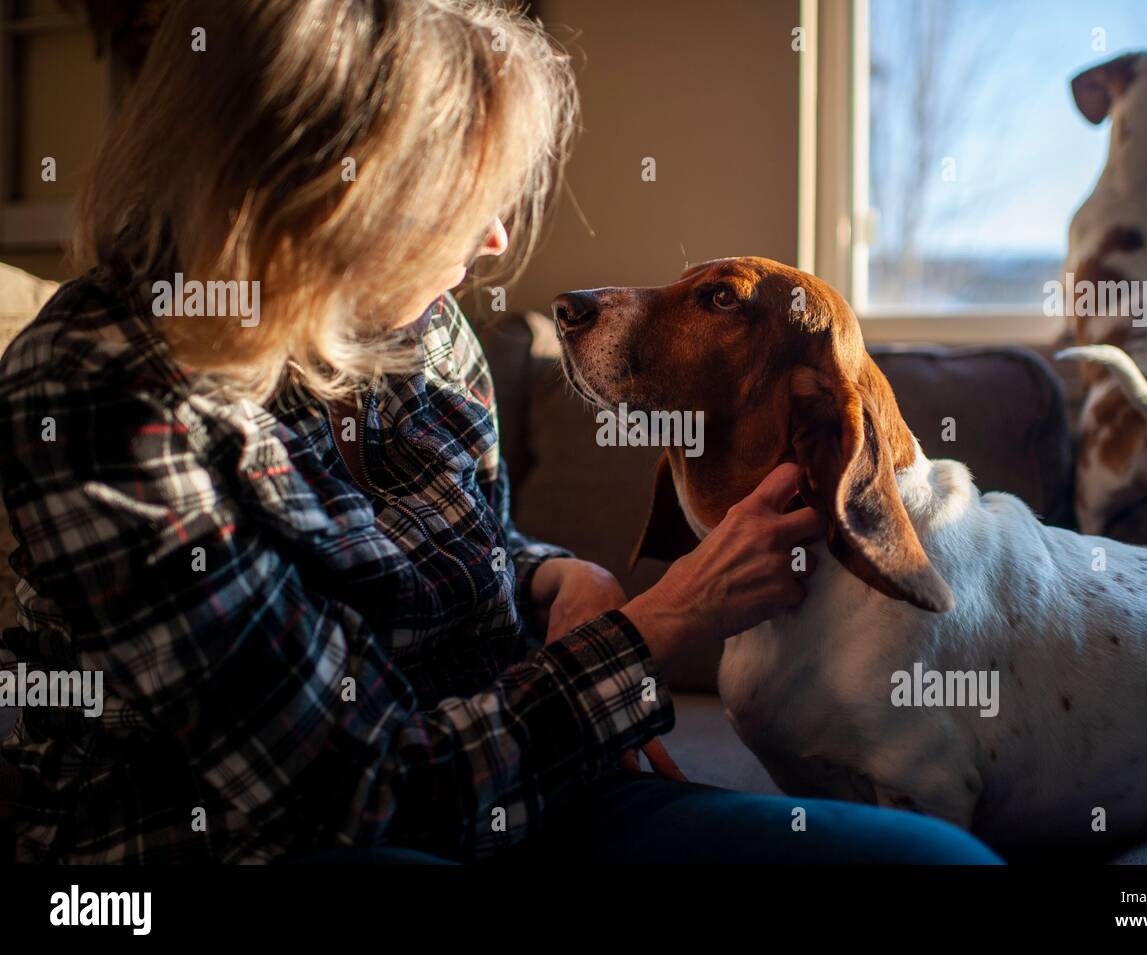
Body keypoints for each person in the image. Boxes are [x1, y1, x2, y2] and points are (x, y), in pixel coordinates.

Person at [0, 0, 999, 865]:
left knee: (936, 859)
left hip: (516, 790)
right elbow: (353, 790)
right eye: (454, 197)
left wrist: (549, 575)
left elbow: (458, 544)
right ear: (315, 192)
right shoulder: (97, 391)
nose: (492, 242)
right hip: (255, 841)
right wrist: (649, 638)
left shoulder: (421, 325)